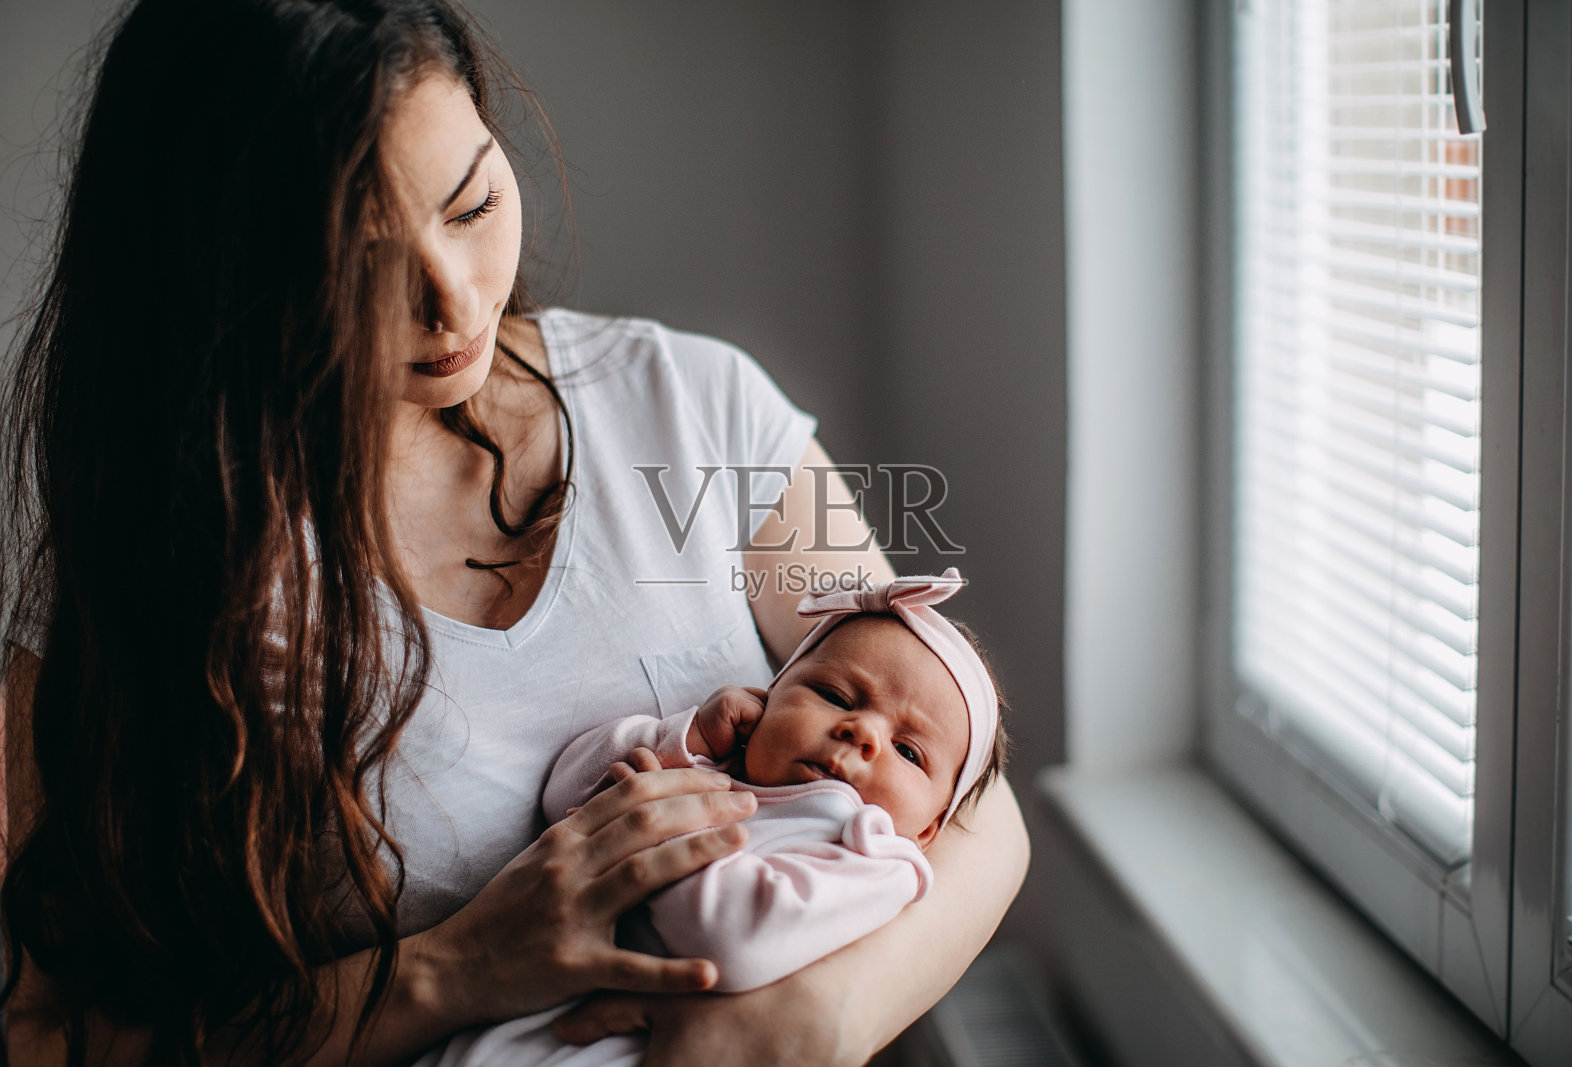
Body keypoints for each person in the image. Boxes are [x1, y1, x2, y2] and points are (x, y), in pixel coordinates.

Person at [0, 2, 1030, 1065]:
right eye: (354, 263)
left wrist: (798, 1024)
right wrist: (453, 965)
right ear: (210, 277)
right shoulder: (149, 574)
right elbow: (49, 1035)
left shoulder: (695, 406)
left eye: (473, 200)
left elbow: (969, 794)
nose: (451, 304)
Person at [409, 571, 1011, 1067]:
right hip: (509, 1028)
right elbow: (565, 793)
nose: (864, 732)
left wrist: (655, 827)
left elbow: (736, 939)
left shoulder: (873, 857)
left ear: (928, 829)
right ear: (766, 698)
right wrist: (684, 738)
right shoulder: (710, 768)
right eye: (835, 696)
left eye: (909, 752)